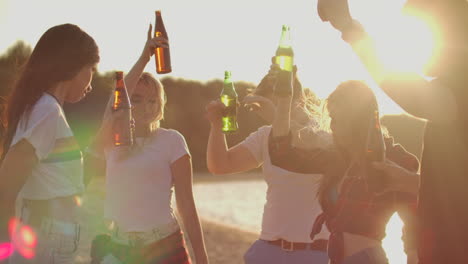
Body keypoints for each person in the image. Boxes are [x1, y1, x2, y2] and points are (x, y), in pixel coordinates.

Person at [316, 0, 468, 262]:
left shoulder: (461, 85)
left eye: (424, 30)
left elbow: (411, 93)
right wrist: (405, 180)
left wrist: (349, 27)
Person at [85, 24, 208, 264]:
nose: (146, 106)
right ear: (127, 103)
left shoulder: (172, 141)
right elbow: (115, 99)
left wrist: (202, 258)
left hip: (165, 246)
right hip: (120, 249)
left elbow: (187, 205)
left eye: (153, 101)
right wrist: (144, 57)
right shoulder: (112, 139)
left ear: (160, 106)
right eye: (137, 100)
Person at [269, 79, 420, 264]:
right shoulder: (337, 158)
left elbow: (414, 221)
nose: (332, 125)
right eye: (331, 117)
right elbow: (283, 156)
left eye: (337, 119)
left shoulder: (393, 159)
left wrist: (413, 256)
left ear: (356, 120)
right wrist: (284, 102)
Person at [205, 60, 330, 264]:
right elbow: (220, 165)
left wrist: (276, 117)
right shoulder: (265, 136)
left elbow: (305, 143)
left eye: (274, 104)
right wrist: (216, 125)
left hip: (313, 253)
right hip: (268, 251)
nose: (268, 115)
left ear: (294, 98)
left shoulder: (325, 133)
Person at [0, 23, 99, 263]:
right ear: (73, 66)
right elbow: (5, 188)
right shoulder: (46, 110)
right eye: (92, 69)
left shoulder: (43, 108)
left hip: (50, 240)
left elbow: (56, 183)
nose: (92, 81)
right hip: (45, 243)